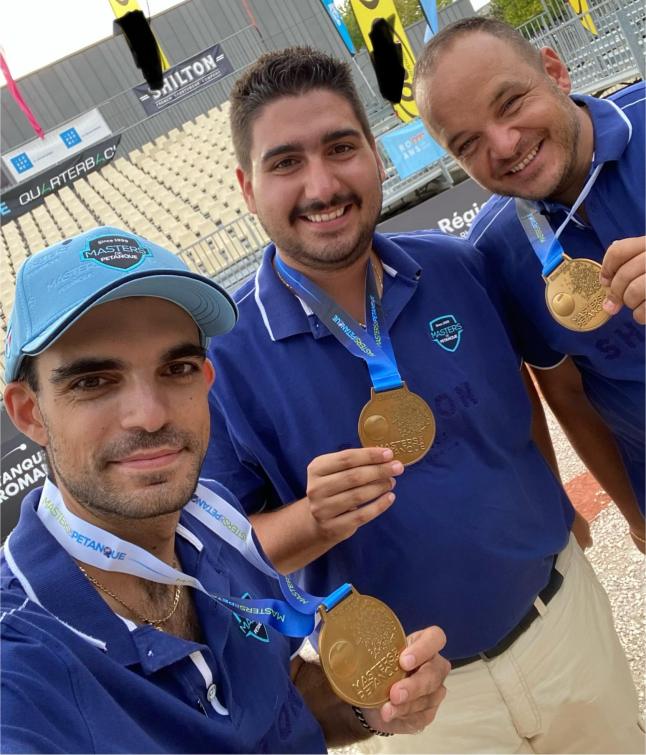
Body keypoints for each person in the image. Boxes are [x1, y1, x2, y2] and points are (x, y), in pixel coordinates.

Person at [201, 47, 644, 753]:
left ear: (376, 156)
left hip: (565, 623)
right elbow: (214, 559)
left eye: (340, 148)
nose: (322, 184)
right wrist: (310, 520)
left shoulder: (462, 268)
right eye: (285, 162)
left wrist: (557, 507)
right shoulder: (219, 361)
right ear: (247, 188)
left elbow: (520, 394)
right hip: (421, 703)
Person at [0, 226, 450, 754]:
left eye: (177, 369)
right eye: (93, 381)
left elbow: (276, 704)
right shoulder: (20, 665)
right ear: (29, 413)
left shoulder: (213, 524)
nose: (149, 415)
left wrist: (368, 705)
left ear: (206, 380)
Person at [413, 17, 645, 551]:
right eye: (468, 143)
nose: (503, 144)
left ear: (554, 71)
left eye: (511, 103)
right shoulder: (497, 250)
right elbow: (567, 393)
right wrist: (635, 515)